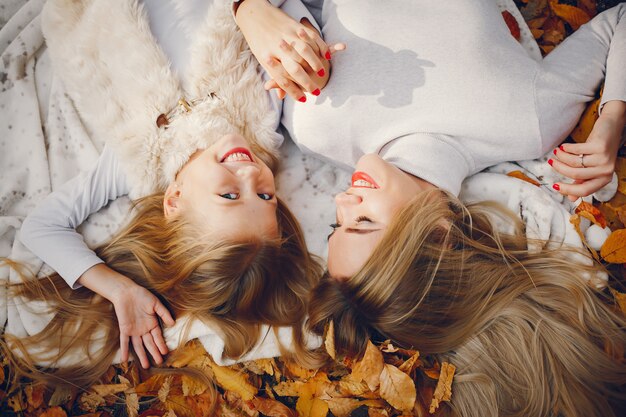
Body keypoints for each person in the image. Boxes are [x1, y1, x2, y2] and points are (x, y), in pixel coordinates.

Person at [283, 1, 626, 416]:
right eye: (363, 222)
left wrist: (253, 13)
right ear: (440, 233)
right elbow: (618, 21)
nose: (342, 200)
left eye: (336, 225)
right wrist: (611, 121)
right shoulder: (527, 122)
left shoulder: (314, 127)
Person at [2, 0, 336, 387]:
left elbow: (41, 227)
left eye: (229, 195)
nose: (249, 173)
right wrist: (300, 46)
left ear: (174, 199)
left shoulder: (136, 160)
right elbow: (285, 21)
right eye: (265, 196)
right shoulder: (264, 114)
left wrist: (118, 288)